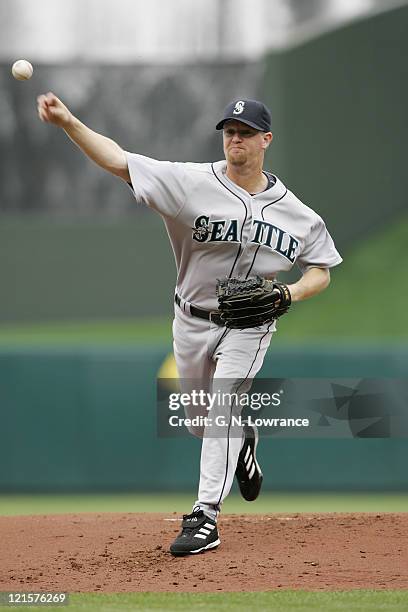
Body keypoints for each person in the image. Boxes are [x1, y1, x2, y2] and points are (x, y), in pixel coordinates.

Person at [37, 94, 342, 556]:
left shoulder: (296, 213)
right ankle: (242, 442)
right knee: (204, 423)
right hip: (191, 319)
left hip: (251, 324)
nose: (235, 138)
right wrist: (68, 122)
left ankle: (205, 517)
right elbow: (119, 161)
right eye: (229, 131)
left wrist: (288, 293)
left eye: (244, 132)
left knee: (222, 405)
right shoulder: (188, 182)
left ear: (266, 140)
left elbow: (321, 270)